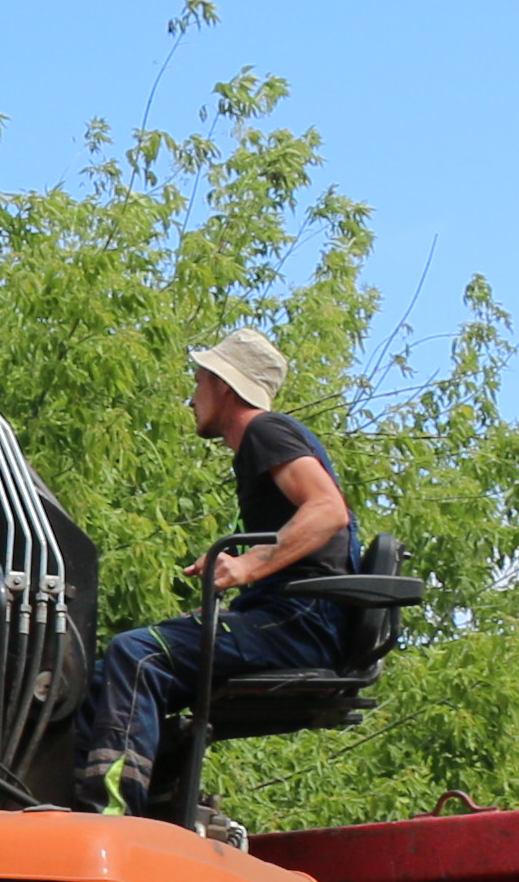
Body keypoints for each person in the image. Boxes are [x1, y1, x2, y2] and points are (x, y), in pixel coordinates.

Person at [79, 327, 359, 810]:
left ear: (225, 387)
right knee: (102, 677)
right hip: (291, 619)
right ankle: (154, 795)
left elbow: (328, 509)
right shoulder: (262, 444)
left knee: (137, 655)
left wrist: (251, 563)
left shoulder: (265, 431)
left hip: (300, 621)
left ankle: (110, 815)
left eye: (199, 381)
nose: (191, 398)